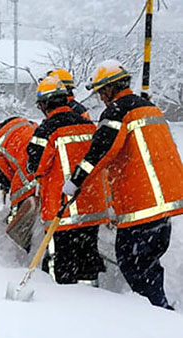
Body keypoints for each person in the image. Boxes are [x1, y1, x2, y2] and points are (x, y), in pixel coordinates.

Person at [62, 59, 183, 310]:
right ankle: (159, 311)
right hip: (164, 206)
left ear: (109, 89)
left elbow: (100, 152)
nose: (101, 99)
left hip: (141, 207)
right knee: (148, 266)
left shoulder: (118, 111)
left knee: (134, 266)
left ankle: (160, 317)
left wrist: (75, 183)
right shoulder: (150, 108)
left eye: (100, 93)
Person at [26, 76, 108, 285]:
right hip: (92, 206)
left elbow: (35, 166)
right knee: (87, 256)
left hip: (63, 210)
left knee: (60, 263)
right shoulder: (88, 125)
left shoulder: (46, 130)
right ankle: (93, 295)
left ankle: (62, 304)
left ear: (44, 104)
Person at [0, 117, 39, 252]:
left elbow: (4, 178)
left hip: (28, 170)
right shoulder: (18, 121)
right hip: (50, 161)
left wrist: (6, 187)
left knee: (16, 202)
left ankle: (24, 246)